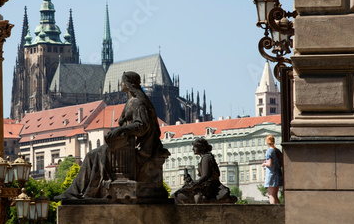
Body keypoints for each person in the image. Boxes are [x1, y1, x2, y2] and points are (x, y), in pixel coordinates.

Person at [55, 71, 164, 199]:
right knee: (94, 154)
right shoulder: (133, 101)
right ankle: (79, 191)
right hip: (127, 144)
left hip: (136, 148)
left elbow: (142, 126)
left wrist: (119, 131)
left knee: (92, 155)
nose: (121, 83)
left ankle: (83, 192)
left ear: (128, 84)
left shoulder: (137, 102)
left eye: (123, 80)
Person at [172, 138, 236, 204]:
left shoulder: (206, 158)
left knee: (176, 196)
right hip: (207, 186)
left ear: (202, 147)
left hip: (209, 188)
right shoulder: (206, 157)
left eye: (195, 147)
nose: (193, 149)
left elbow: (206, 176)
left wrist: (194, 183)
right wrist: (189, 179)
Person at [261, 135, 283, 204]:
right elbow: (281, 163)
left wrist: (264, 164)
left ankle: (272, 211)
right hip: (278, 174)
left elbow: (270, 164)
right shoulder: (277, 151)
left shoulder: (269, 151)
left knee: (271, 195)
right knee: (275, 195)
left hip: (271, 175)